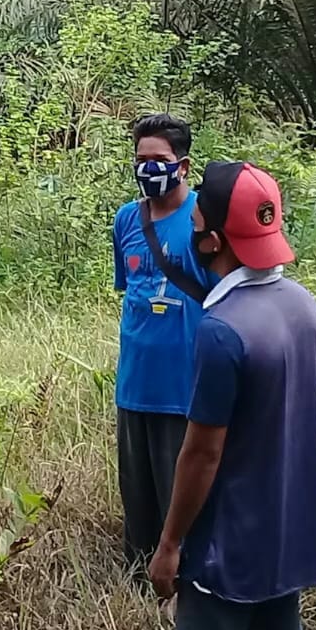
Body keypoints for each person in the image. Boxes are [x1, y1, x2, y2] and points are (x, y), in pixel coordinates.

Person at [138, 161, 316, 630]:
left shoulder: (221, 331)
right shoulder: (304, 307)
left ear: (213, 236)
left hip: (227, 544)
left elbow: (203, 450)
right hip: (290, 532)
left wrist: (170, 543)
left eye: (195, 221)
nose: (186, 227)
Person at [112, 114, 210, 573]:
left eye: (159, 160)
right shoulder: (126, 220)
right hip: (134, 383)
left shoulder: (201, 221)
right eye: (141, 160)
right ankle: (137, 577)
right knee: (137, 491)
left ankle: (183, 579)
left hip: (183, 384)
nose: (148, 169)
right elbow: (129, 287)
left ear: (183, 165)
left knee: (181, 493)